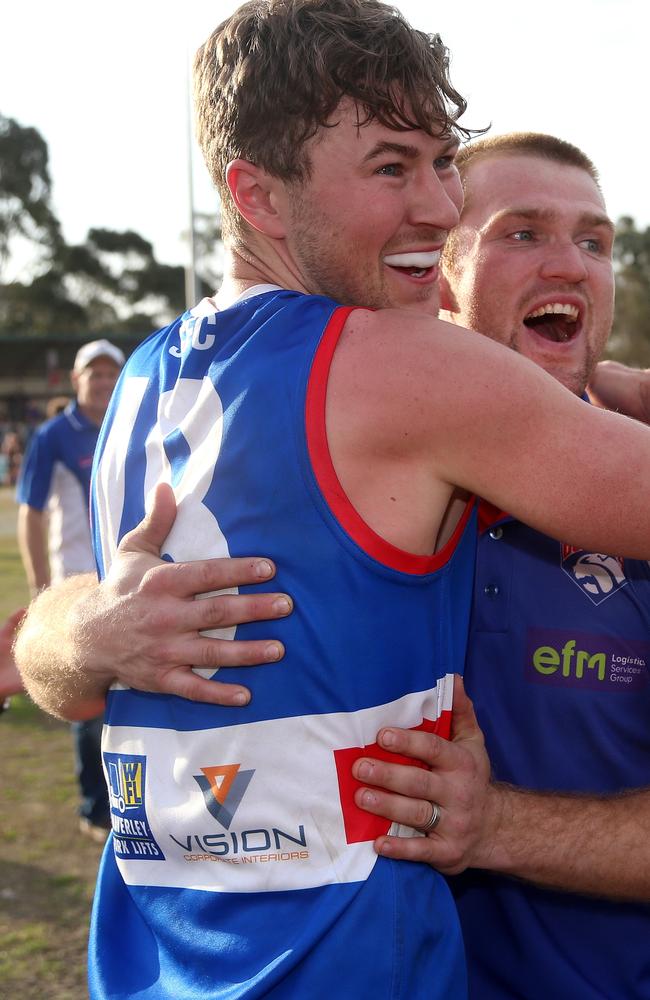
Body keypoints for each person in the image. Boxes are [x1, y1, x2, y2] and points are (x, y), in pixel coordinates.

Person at [14, 3, 650, 997]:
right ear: (255, 194)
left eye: (441, 162)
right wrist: (69, 637)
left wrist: (68, 634)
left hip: (153, 964)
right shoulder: (402, 366)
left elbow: (69, 649)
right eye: (390, 167)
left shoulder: (145, 376)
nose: (439, 206)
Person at [343, 133, 650, 999]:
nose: (571, 264)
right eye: (523, 233)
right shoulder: (357, 467)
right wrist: (93, 637)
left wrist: (497, 827)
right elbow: (84, 669)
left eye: (595, 242)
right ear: (439, 272)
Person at [16, 338, 125, 841]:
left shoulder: (134, 419)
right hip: (76, 585)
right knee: (88, 701)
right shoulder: (54, 436)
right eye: (94, 374)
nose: (103, 382)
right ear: (76, 380)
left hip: (129, 579)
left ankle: (130, 803)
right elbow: (30, 513)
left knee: (132, 692)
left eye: (111, 373)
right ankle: (95, 809)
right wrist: (41, 588)